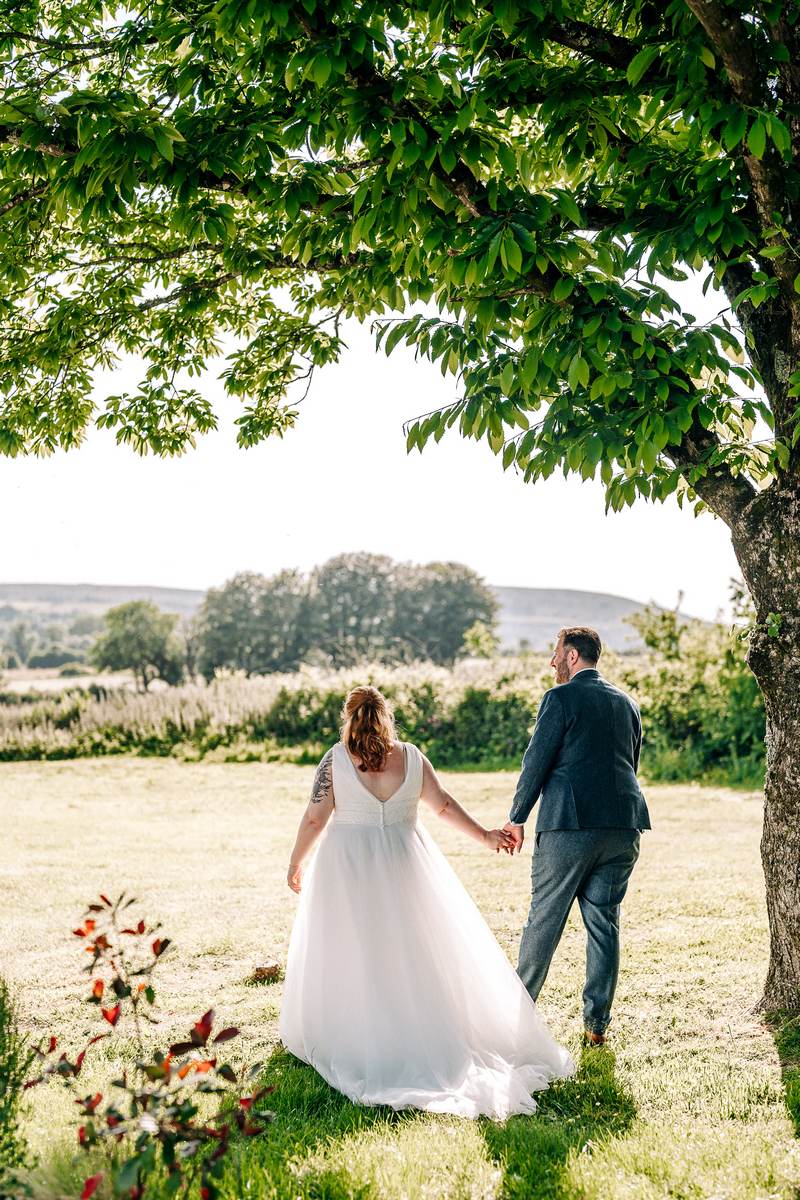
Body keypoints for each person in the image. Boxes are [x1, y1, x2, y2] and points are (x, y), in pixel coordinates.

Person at [280, 684, 574, 1118]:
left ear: (349, 716)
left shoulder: (335, 760)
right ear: (386, 716)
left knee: (351, 948)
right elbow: (444, 806)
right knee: (412, 948)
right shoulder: (412, 757)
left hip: (348, 869)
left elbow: (313, 817)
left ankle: (360, 1029)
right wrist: (487, 837)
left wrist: (295, 862)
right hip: (405, 864)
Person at [502, 627, 650, 1045]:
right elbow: (630, 763)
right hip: (623, 827)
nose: (551, 662)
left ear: (571, 655)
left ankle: (515, 1019)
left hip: (570, 826)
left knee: (544, 922)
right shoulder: (628, 703)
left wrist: (517, 817)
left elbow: (537, 763)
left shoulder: (560, 699)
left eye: (555, 653)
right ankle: (596, 1028)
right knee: (604, 925)